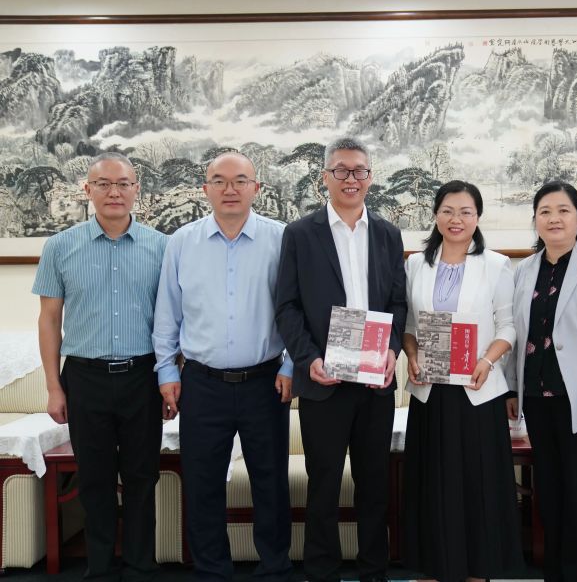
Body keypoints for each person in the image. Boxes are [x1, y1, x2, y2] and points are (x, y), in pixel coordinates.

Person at [152, 152, 294, 581]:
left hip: (266, 382)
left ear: (256, 188)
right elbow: (167, 314)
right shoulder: (182, 242)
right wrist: (167, 372)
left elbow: (297, 309)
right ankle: (213, 571)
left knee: (270, 482)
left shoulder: (281, 239)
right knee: (203, 483)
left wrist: (291, 366)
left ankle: (274, 569)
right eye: (219, 180)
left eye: (240, 180)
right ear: (205, 189)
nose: (230, 189)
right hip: (202, 383)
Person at [275, 137, 406, 582]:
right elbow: (287, 306)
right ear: (325, 178)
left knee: (374, 486)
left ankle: (374, 571)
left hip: (374, 383)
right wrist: (308, 358)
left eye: (359, 170)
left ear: (370, 177)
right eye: (341, 171)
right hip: (323, 381)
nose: (351, 179)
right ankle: (322, 572)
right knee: (324, 486)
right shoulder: (299, 234)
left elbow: (398, 302)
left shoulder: (387, 234)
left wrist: (392, 351)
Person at [33, 152, 168, 581]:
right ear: (87, 190)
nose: (114, 192)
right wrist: (54, 387)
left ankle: (141, 566)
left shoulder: (161, 246)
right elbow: (49, 320)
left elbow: (174, 319)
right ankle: (100, 569)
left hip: (143, 376)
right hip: (84, 378)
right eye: (104, 184)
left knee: (142, 476)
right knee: (94, 479)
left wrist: (172, 377)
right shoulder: (60, 246)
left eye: (123, 183)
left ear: (137, 190)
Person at [402, 180, 523, 582]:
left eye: (466, 212)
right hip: (430, 392)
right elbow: (409, 326)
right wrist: (412, 355)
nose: (456, 219)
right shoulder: (415, 265)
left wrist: (488, 361)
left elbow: (508, 326)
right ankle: (432, 570)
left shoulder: (496, 265)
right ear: (435, 215)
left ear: (478, 217)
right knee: (431, 486)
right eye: (448, 211)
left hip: (477, 392)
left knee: (476, 486)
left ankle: (476, 572)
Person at [506, 181, 577, 582]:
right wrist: (511, 388)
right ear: (535, 219)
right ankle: (554, 574)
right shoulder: (524, 270)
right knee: (550, 490)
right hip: (536, 395)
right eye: (545, 211)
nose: (553, 218)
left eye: (563, 210)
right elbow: (515, 334)